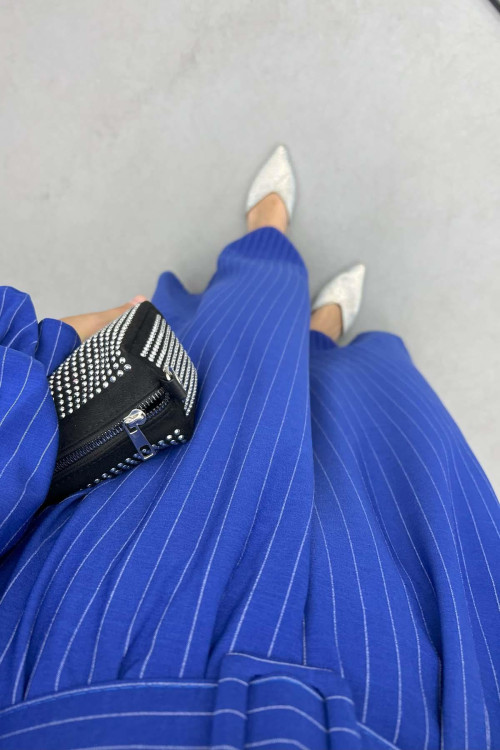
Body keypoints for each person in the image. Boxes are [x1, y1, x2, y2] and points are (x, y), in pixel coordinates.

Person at [0, 145, 498, 750]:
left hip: (88, 642)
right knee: (372, 454)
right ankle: (316, 338)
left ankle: (268, 240)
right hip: (382, 709)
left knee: (237, 369)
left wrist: (42, 345)